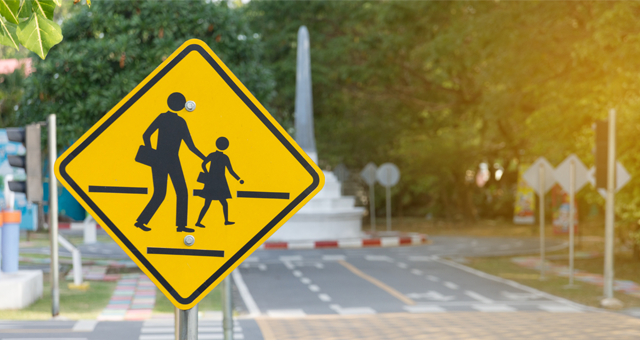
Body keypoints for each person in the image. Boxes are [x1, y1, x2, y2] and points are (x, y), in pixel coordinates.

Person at [135, 92, 205, 233]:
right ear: (181, 105)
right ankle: (180, 226)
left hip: (159, 159)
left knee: (160, 193)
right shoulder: (180, 122)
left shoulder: (162, 118)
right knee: (181, 192)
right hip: (172, 160)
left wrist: (152, 153)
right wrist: (204, 158)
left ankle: (141, 222)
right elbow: (191, 146)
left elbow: (146, 135)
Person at [195, 137, 243, 227]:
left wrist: (207, 173)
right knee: (216, 203)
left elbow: (203, 164)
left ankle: (225, 221)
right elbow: (231, 171)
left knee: (212, 203)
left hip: (213, 182)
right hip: (219, 182)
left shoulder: (213, 155)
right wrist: (239, 179)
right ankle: (199, 222)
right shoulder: (224, 157)